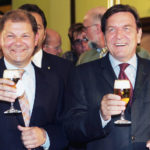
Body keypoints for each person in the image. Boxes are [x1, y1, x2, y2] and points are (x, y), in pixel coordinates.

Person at [63, 4, 150, 150]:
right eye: (112, 30)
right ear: (104, 36)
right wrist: (100, 116)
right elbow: (70, 129)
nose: (119, 35)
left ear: (139, 34)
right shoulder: (81, 74)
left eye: (126, 28)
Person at [0, 9, 68, 149]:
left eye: (25, 36)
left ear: (36, 39)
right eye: (11, 36)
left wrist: (45, 136)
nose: (18, 43)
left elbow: (68, 129)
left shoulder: (54, 81)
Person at [19, 4, 73, 86]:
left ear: (44, 34)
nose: (32, 32)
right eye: (26, 27)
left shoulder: (64, 68)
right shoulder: (3, 66)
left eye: (37, 27)